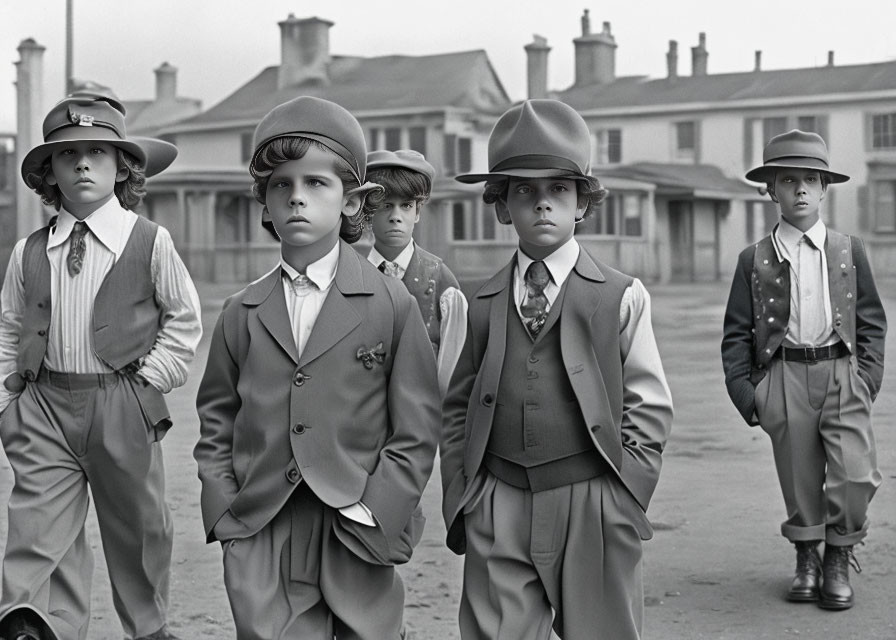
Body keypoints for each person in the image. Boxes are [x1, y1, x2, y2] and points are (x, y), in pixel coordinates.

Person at [193, 96, 440, 639]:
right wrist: (225, 510)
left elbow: (417, 427)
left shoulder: (389, 303)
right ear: (264, 201)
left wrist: (380, 507)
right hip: (263, 524)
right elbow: (216, 419)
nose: (297, 198)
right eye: (281, 185)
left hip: (357, 521)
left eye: (316, 184)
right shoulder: (241, 311)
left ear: (352, 203)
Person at [439, 99, 673, 640]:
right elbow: (458, 407)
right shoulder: (480, 301)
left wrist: (625, 495)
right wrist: (464, 495)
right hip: (497, 498)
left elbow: (650, 404)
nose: (542, 204)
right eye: (524, 191)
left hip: (593, 496)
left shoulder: (621, 296)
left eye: (559, 190)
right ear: (501, 207)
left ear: (582, 204)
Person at [0, 90, 201, 640]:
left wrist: (149, 383)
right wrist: (7, 403)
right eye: (67, 155)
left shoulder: (150, 241)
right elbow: (9, 327)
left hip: (121, 399)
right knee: (39, 526)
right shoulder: (29, 251)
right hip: (42, 404)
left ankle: (148, 626)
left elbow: (184, 321)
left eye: (98, 152)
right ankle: (42, 625)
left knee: (137, 525)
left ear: (123, 168)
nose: (83, 163)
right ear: (49, 173)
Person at [722, 129, 886, 610]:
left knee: (855, 474)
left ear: (823, 188)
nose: (799, 190)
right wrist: (749, 393)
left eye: (810, 180)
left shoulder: (848, 250)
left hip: (840, 370)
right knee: (798, 476)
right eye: (787, 180)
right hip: (784, 375)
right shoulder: (754, 258)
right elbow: (736, 333)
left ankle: (839, 553)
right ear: (770, 189)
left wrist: (867, 378)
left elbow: (871, 320)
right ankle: (808, 558)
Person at [363, 149, 468, 396]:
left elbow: (453, 375)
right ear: (367, 214)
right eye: (386, 206)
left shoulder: (442, 283)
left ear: (418, 212)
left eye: (406, 206)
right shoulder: (351, 279)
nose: (396, 217)